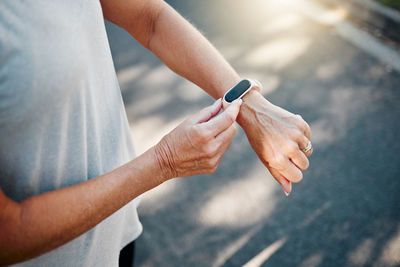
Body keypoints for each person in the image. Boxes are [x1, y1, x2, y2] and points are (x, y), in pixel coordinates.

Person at [0, 0, 313, 266]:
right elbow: (8, 233)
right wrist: (164, 162)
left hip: (117, 239)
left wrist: (248, 104)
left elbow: (150, 17)